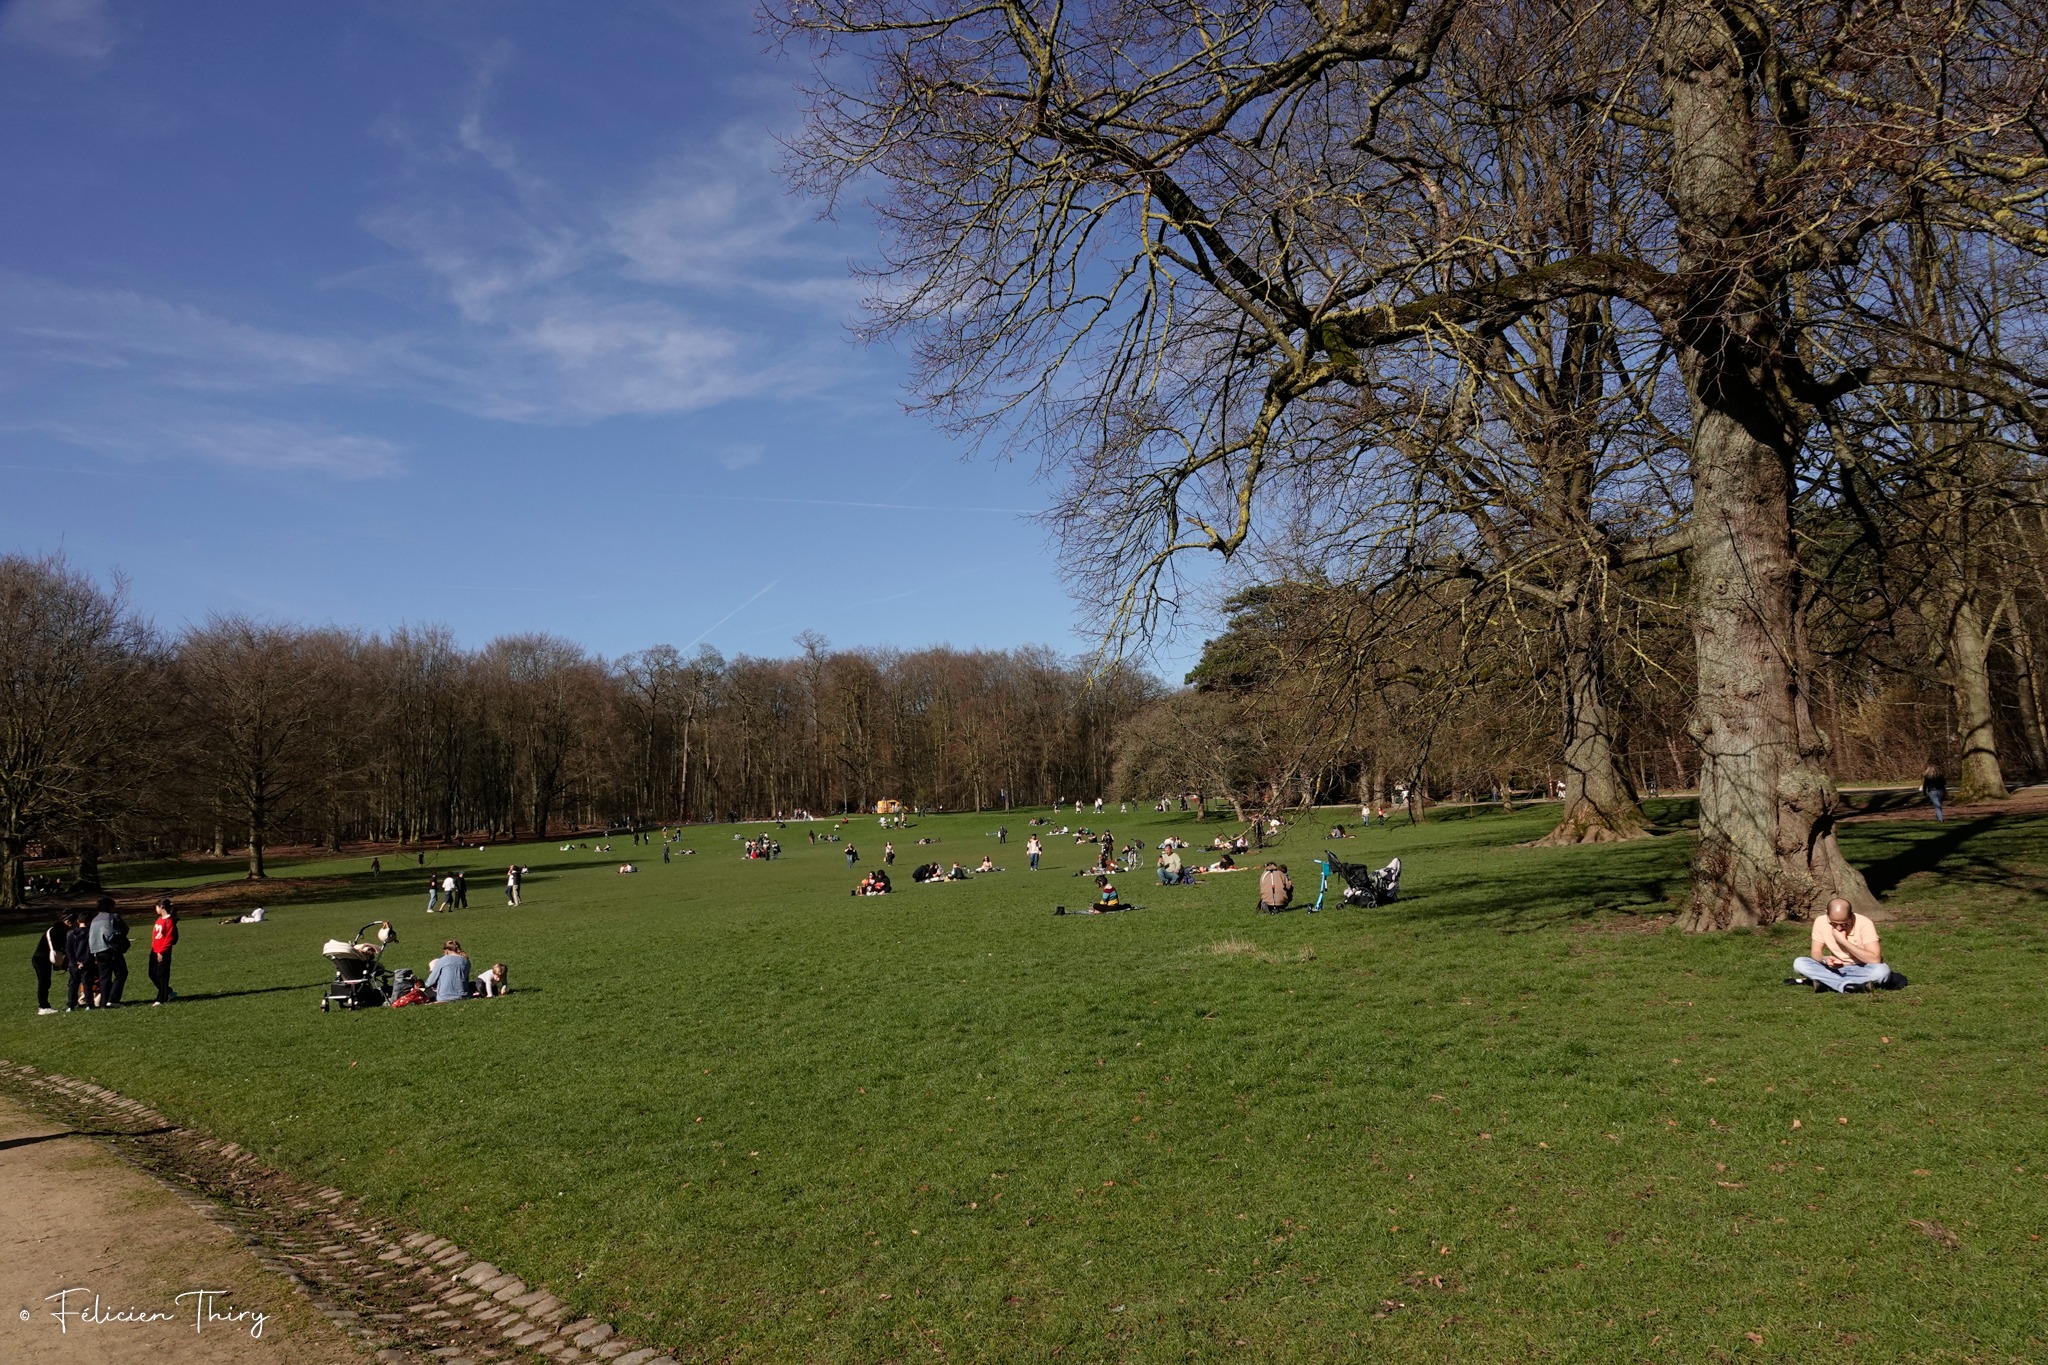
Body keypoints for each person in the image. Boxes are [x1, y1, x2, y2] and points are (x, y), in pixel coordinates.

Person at [1791, 898, 1892, 993]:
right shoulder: (1820, 921)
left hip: (1863, 968)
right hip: (1835, 969)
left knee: (1882, 971)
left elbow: (1875, 959)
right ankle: (1849, 986)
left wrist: (1843, 941)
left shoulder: (1864, 923)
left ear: (1851, 916)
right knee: (1800, 963)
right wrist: (1825, 959)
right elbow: (1815, 952)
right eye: (1833, 924)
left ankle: (1828, 983)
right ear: (1827, 913)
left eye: (1844, 924)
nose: (1839, 928)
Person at [88, 897, 127, 1006]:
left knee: (104, 977)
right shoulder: (113, 917)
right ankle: (113, 999)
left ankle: (104, 1002)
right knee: (121, 973)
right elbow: (124, 929)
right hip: (111, 949)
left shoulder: (94, 920)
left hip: (97, 951)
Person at [30, 911, 69, 1015]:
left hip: (43, 959)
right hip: (41, 959)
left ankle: (44, 1005)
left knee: (45, 982)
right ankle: (43, 1006)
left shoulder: (58, 930)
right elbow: (61, 947)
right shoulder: (57, 931)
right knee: (44, 983)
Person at [147, 899, 178, 1006]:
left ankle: (161, 998)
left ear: (162, 907)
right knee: (152, 974)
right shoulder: (159, 919)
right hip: (154, 951)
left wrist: (161, 951)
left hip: (163, 952)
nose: (155, 909)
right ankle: (167, 991)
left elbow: (169, 938)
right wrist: (154, 949)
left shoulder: (169, 921)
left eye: (156, 906)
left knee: (162, 975)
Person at [65, 912, 94, 1011]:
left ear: (78, 921)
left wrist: (74, 962)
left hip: (73, 964)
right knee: (87, 983)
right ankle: (89, 1004)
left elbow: (68, 950)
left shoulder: (72, 934)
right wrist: (84, 962)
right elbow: (90, 949)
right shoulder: (90, 934)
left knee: (73, 983)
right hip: (87, 962)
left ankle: (71, 1005)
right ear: (90, 921)